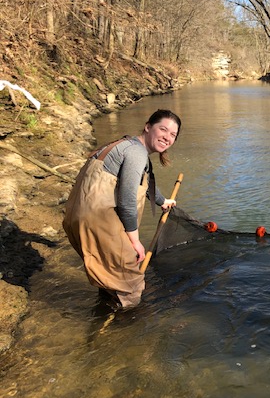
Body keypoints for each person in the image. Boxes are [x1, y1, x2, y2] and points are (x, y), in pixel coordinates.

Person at [63, 109, 182, 308]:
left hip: (76, 220)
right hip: (97, 221)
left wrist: (162, 201)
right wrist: (135, 242)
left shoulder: (125, 144)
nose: (167, 137)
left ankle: (106, 309)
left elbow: (140, 183)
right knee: (131, 282)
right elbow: (127, 202)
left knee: (109, 276)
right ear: (147, 126)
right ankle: (128, 327)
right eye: (163, 129)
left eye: (173, 135)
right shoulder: (136, 153)